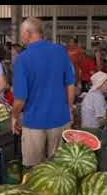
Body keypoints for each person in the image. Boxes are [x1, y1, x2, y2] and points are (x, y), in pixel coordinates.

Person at [12, 17, 75, 168]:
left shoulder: (22, 59)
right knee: (59, 169)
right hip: (60, 119)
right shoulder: (60, 51)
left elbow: (20, 98)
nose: (21, 38)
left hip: (34, 123)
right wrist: (70, 108)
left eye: (22, 33)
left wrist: (14, 117)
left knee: (35, 171)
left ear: (27, 33)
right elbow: (70, 84)